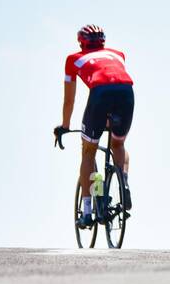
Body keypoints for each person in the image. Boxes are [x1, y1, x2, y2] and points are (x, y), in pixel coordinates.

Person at [53, 25, 134, 227]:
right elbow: (114, 79)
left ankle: (87, 213)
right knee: (118, 144)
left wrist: (64, 125)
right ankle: (124, 183)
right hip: (127, 93)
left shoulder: (73, 59)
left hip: (100, 94)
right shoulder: (118, 55)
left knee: (88, 151)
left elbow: (69, 101)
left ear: (81, 42)